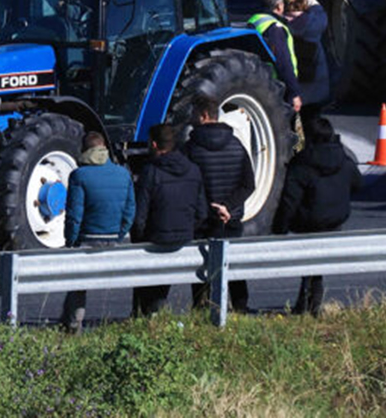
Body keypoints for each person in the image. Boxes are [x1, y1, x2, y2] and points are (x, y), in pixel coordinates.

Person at [272, 117, 362, 315]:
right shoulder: (343, 160)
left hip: (308, 221)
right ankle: (312, 305)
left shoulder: (302, 165)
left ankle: (306, 306)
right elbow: (357, 183)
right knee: (317, 267)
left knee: (309, 266)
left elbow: (290, 199)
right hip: (335, 220)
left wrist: (280, 228)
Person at [185, 96, 255, 314]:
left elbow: (189, 186)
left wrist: (209, 208)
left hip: (204, 219)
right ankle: (240, 307)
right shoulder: (237, 145)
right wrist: (227, 206)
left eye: (194, 113)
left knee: (202, 267)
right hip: (231, 217)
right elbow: (248, 184)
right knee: (234, 264)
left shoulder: (190, 148)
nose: (191, 117)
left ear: (204, 115)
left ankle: (201, 307)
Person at [60, 132, 135, 333]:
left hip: (87, 238)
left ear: (85, 150)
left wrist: (71, 240)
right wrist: (119, 234)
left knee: (78, 285)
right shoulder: (123, 174)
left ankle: (73, 324)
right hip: (113, 238)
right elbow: (130, 211)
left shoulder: (79, 175)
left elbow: (75, 214)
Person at [131, 123, 208, 317]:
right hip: (185, 237)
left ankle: (150, 315)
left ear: (155, 145)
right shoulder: (193, 170)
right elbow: (201, 212)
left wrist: (140, 237)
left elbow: (140, 214)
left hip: (156, 237)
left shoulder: (150, 172)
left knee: (151, 289)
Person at [283, 0, 330, 126]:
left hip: (290, 88)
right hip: (315, 86)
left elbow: (271, 11)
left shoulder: (280, 24)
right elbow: (319, 10)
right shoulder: (314, 23)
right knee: (311, 124)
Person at [248, 0, 302, 115]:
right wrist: (294, 92)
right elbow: (283, 62)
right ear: (279, 7)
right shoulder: (275, 28)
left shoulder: (255, 20)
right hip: (276, 85)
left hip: (259, 81)